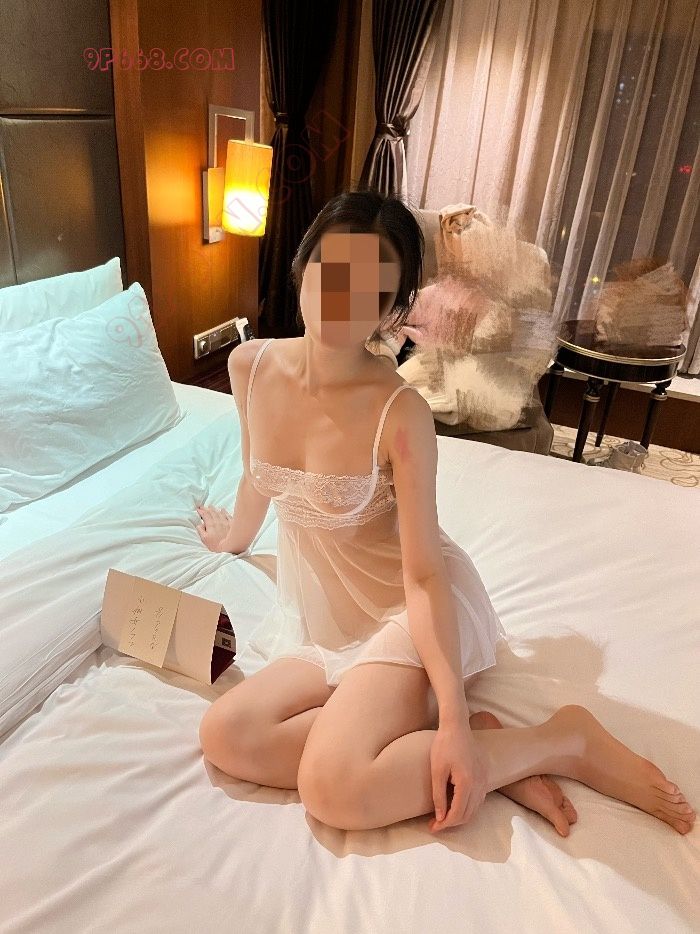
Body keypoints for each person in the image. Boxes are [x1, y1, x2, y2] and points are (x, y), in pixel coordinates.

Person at [195, 188, 695, 837]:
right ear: (303, 264)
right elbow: (257, 470)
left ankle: (562, 739)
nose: (343, 299)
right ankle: (485, 749)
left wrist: (455, 720)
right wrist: (233, 539)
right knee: (227, 735)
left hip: (410, 610)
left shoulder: (398, 411)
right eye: (332, 270)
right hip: (330, 617)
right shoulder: (250, 365)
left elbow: (426, 574)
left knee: (334, 788)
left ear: (393, 309)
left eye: (372, 290)